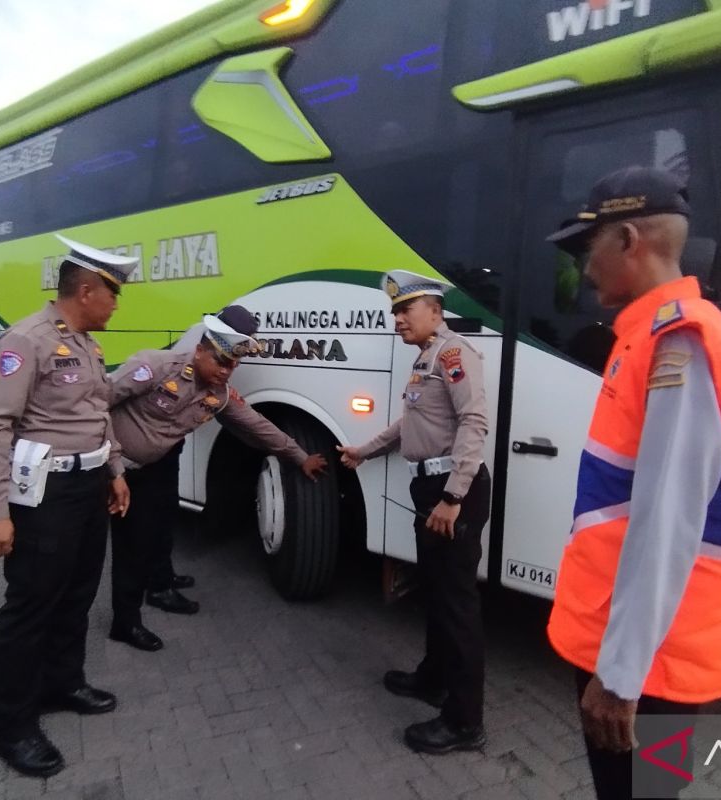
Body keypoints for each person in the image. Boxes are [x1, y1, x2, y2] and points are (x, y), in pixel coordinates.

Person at [544, 166, 721, 799]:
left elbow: (667, 520)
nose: (585, 270)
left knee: (639, 793)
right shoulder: (650, 334)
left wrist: (619, 676)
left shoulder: (679, 342)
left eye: (590, 249)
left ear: (629, 239)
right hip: (649, 645)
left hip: (650, 660)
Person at [0, 235, 136, 777]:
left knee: (77, 592)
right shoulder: (27, 340)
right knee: (31, 604)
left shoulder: (87, 343)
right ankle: (13, 726)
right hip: (45, 494)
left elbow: (96, 413)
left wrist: (113, 470)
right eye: (112, 295)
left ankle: (63, 683)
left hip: (88, 489)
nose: (116, 305)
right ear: (86, 291)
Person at [106, 306, 328, 651]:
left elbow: (257, 426)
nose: (227, 372)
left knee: (156, 530)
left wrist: (299, 456)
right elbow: (96, 404)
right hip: (114, 470)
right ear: (199, 351)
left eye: (233, 365)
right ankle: (125, 622)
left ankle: (153, 592)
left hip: (155, 467)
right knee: (127, 547)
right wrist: (110, 464)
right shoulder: (156, 366)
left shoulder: (217, 394)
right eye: (221, 363)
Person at [337, 270, 491, 755]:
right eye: (395, 311)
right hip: (431, 488)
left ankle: (465, 723)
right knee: (437, 591)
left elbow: (474, 420)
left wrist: (452, 496)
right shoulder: (426, 359)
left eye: (406, 309)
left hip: (450, 493)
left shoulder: (453, 354)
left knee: (457, 605)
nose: (397, 319)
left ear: (435, 311)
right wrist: (364, 450)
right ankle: (433, 678)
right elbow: (412, 423)